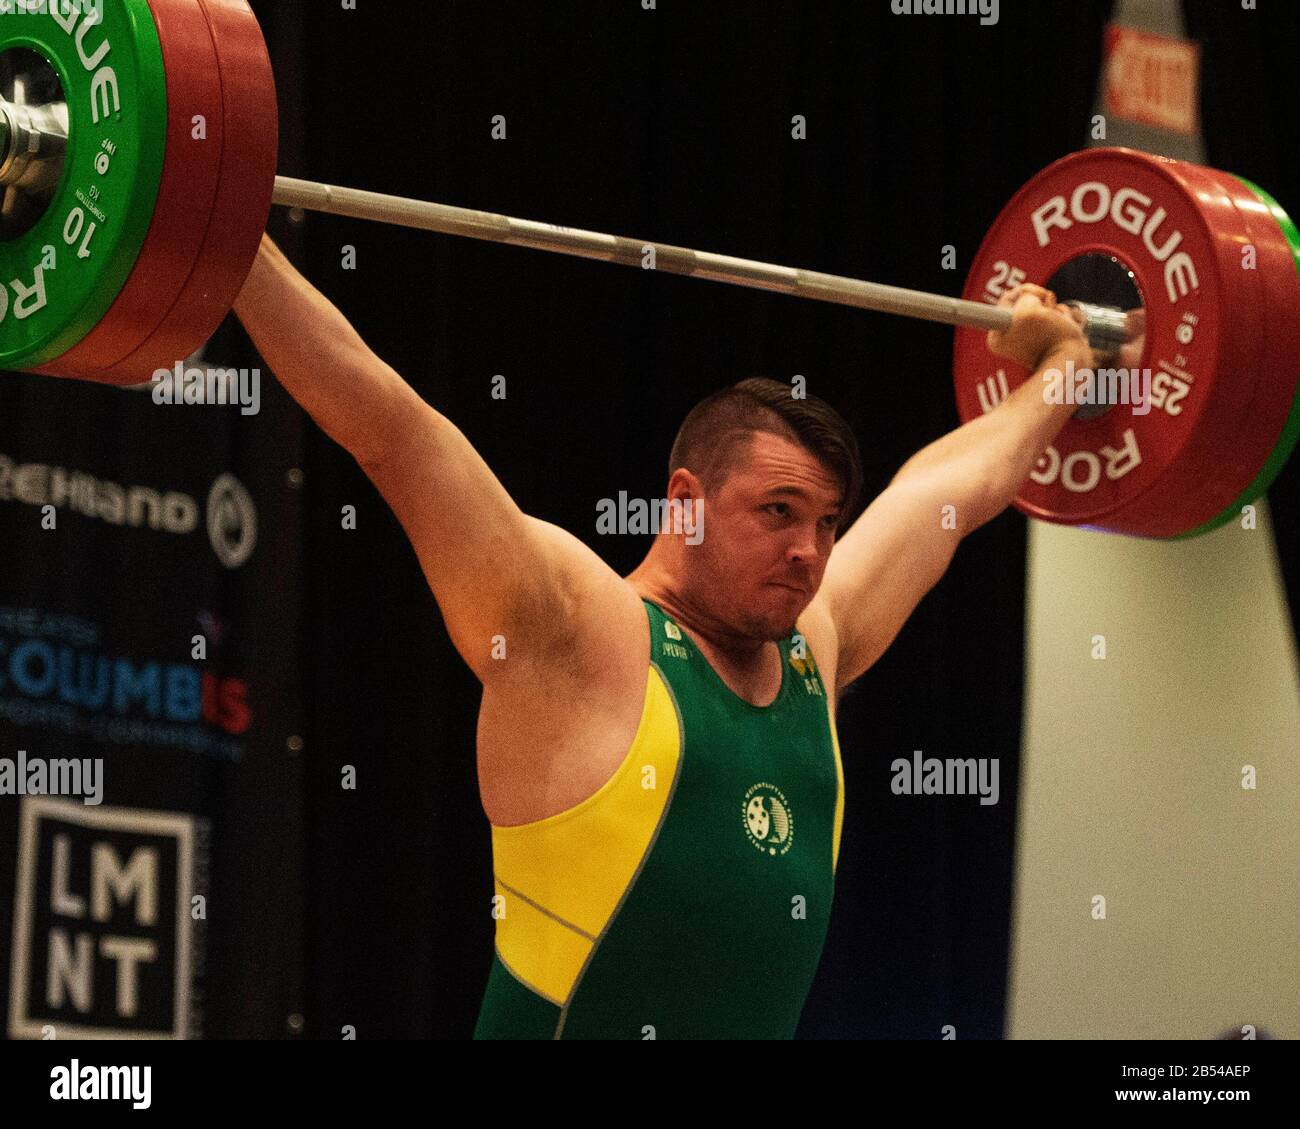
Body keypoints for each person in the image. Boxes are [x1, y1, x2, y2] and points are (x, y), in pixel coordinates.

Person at [234, 239, 1095, 1038]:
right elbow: (394, 431)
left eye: (827, 523)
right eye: (778, 513)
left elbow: (953, 491)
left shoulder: (814, 644)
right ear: (683, 500)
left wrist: (1064, 365)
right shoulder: (576, 628)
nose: (810, 552)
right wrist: (227, 234)